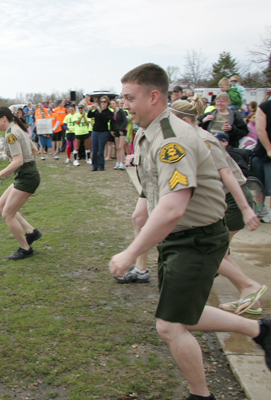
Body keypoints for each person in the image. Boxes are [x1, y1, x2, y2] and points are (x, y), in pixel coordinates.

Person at [109, 63, 271, 400]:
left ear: (154, 96)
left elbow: (173, 207)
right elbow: (155, 190)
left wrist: (129, 252)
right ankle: (262, 330)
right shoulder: (148, 131)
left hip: (196, 239)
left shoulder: (173, 139)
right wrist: (143, 209)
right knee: (186, 315)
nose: (124, 104)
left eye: (129, 97)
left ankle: (201, 395)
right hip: (177, 239)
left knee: (170, 325)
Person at [168, 98, 264, 315]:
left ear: (184, 120)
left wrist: (245, 208)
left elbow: (228, 174)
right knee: (219, 252)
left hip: (232, 200)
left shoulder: (203, 139)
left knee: (208, 250)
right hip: (223, 200)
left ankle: (249, 287)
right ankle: (250, 296)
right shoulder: (188, 136)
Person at [0, 106, 41, 260]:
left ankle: (25, 249)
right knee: (0, 206)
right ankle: (31, 232)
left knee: (7, 214)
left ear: (4, 118)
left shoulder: (11, 134)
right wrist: (29, 167)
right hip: (27, 174)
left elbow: (18, 161)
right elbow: (35, 150)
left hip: (27, 177)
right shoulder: (18, 129)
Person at [252, 99, 271, 218]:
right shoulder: (264, 107)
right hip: (263, 153)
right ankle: (260, 210)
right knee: (259, 186)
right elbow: (261, 130)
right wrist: (269, 149)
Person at [88, 96, 114, 171]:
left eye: (104, 102)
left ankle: (101, 165)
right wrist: (90, 110)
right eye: (101, 101)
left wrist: (100, 112)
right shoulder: (97, 110)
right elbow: (89, 115)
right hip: (95, 131)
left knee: (101, 149)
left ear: (107, 103)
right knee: (94, 149)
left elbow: (106, 120)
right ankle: (94, 165)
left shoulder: (109, 112)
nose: (103, 103)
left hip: (103, 132)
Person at [110, 99, 128, 170]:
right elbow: (112, 122)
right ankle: (118, 161)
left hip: (122, 131)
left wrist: (121, 129)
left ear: (116, 104)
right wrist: (111, 130)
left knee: (121, 146)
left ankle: (122, 162)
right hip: (116, 131)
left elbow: (125, 121)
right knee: (117, 147)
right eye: (111, 104)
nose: (112, 105)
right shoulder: (112, 113)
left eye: (113, 103)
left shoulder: (121, 112)